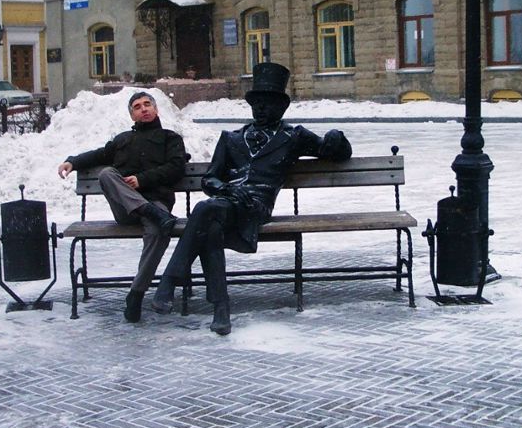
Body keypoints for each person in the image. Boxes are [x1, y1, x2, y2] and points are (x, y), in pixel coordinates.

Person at [150, 63, 351, 335]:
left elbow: (333, 151)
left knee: (205, 212)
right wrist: (228, 189)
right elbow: (209, 180)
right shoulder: (232, 139)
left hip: (257, 206)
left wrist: (336, 137)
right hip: (226, 204)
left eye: (267, 103)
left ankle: (170, 281)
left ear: (281, 107)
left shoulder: (293, 137)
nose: (261, 108)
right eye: (256, 103)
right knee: (210, 228)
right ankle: (221, 308)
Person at [57, 91, 186, 323]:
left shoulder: (170, 138)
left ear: (156, 109)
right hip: (127, 209)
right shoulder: (123, 140)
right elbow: (99, 156)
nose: (143, 109)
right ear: (132, 115)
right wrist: (72, 162)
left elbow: (176, 168)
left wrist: (142, 180)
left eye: (147, 104)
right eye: (137, 107)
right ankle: (148, 211)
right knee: (107, 173)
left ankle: (136, 294)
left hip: (157, 202)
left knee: (158, 232)